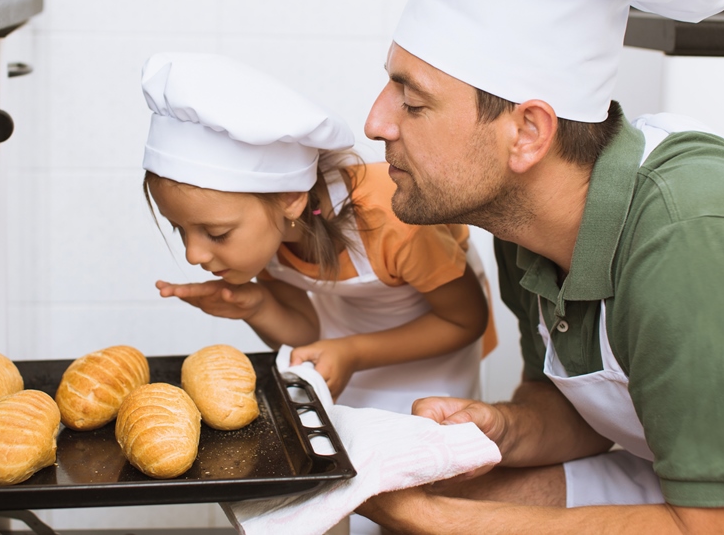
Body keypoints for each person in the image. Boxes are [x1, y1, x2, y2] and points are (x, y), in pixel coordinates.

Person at [353, 0, 724, 533]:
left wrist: (442, 520)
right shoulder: (522, 223)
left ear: (528, 132)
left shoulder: (693, 240)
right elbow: (587, 408)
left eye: (413, 103)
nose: (375, 122)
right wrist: (505, 425)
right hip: (687, 471)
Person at [140, 51, 496, 415]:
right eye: (180, 230)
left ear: (291, 199)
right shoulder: (267, 234)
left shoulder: (394, 219)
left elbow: (465, 320)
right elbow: (306, 333)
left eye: (216, 234)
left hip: (433, 346)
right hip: (346, 350)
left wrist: (353, 352)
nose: (193, 256)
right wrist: (256, 306)